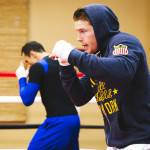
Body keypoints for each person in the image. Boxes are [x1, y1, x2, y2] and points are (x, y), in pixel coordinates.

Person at [51, 4, 150, 150]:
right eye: (77, 32)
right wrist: (65, 65)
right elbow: (80, 97)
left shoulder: (124, 42)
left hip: (139, 141)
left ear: (100, 28)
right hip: (116, 143)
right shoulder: (98, 58)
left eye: (83, 31)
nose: (78, 38)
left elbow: (122, 70)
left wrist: (73, 54)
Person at [15, 41, 80, 150]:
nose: (29, 65)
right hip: (74, 119)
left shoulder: (39, 67)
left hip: (58, 122)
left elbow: (27, 100)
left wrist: (21, 77)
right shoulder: (61, 62)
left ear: (33, 54)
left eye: (27, 61)